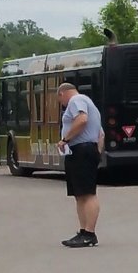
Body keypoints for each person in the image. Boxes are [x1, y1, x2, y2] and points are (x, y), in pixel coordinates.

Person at [56, 79, 103, 247]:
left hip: (81, 150)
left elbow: (82, 120)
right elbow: (101, 134)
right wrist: (97, 152)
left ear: (62, 94)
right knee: (80, 194)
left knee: (88, 193)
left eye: (60, 100)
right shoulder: (92, 106)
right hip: (86, 150)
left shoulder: (77, 101)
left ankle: (90, 233)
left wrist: (65, 139)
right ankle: (83, 232)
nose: (61, 104)